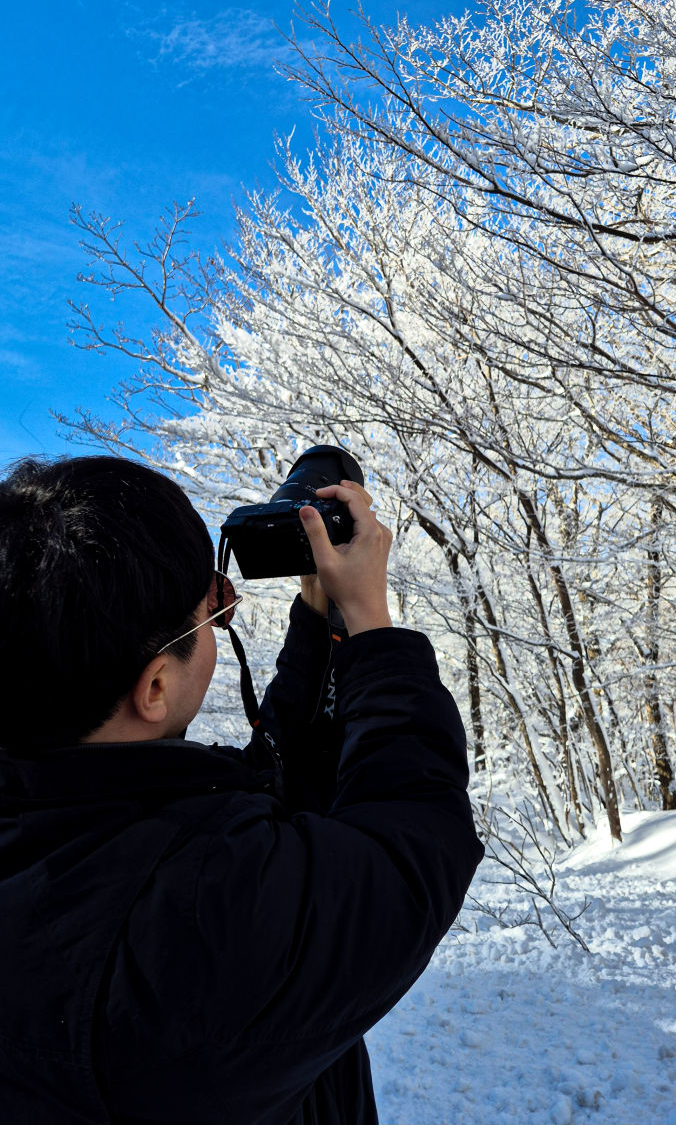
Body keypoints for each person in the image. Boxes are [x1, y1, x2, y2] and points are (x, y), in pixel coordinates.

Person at [0, 454, 483, 1124]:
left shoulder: (73, 830)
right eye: (210, 612)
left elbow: (261, 806)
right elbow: (411, 849)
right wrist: (373, 623)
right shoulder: (202, 915)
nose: (224, 607)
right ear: (155, 688)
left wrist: (319, 626)